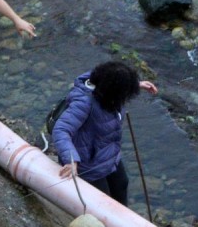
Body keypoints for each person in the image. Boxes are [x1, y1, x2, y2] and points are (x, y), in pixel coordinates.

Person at [52, 60, 158, 206]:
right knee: (104, 202)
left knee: (121, 184)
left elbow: (113, 80)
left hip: (108, 154)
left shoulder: (107, 89)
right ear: (114, 92)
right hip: (88, 163)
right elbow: (61, 129)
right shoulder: (84, 103)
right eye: (126, 92)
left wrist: (137, 84)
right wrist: (71, 160)